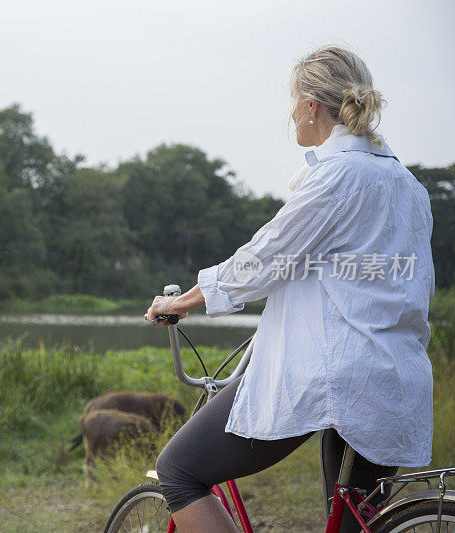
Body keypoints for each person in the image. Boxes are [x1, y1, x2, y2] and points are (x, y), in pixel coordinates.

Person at [144, 45, 434, 533]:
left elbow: (263, 260)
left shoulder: (339, 176)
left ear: (310, 106)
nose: (289, 113)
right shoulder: (408, 185)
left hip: (330, 375)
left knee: (179, 471)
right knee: (354, 523)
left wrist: (181, 301)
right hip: (392, 381)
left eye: (291, 101)